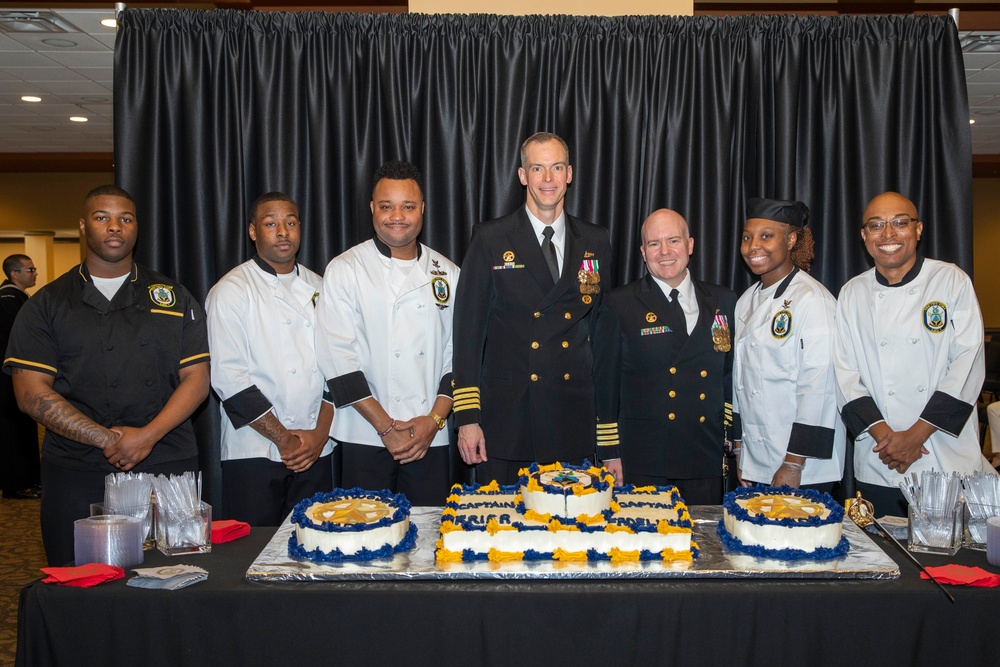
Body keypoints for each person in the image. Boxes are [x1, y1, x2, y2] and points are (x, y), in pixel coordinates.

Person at [3, 185, 210, 565]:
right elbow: (30, 393)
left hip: (166, 460)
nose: (115, 227)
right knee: (78, 578)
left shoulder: (172, 296)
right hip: (78, 466)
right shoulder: (47, 303)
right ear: (83, 225)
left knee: (173, 575)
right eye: (102, 217)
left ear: (137, 228)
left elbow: (197, 379)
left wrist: (146, 436)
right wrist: (106, 438)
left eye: (125, 218)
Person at [452, 132, 613, 484]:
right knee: (504, 534)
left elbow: (603, 336)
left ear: (569, 174)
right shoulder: (491, 238)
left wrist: (608, 430)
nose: (548, 179)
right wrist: (467, 417)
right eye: (537, 168)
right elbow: (467, 335)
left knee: (571, 533)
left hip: (573, 416)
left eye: (556, 168)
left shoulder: (595, 239)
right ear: (523, 176)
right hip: (508, 421)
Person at [833, 191, 993, 517]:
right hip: (881, 456)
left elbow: (967, 364)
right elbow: (844, 373)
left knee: (948, 560)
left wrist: (914, 436)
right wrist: (889, 439)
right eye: (876, 225)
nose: (888, 235)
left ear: (918, 230)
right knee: (885, 557)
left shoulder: (950, 281)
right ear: (864, 236)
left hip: (943, 453)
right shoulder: (852, 293)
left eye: (900, 223)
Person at [316, 160, 459, 505]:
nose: (397, 216)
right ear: (372, 209)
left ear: (422, 209)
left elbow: (460, 356)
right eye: (386, 206)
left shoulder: (449, 273)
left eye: (408, 206)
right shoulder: (346, 268)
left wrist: (434, 420)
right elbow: (336, 358)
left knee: (429, 541)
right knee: (365, 540)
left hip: (429, 436)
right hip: (365, 433)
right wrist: (384, 427)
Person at [592, 209, 735, 505]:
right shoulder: (620, 303)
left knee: (704, 547)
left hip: (704, 454)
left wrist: (734, 433)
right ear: (643, 253)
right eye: (655, 244)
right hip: (644, 460)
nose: (665, 252)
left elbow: (729, 376)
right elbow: (605, 385)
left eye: (673, 240)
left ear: (690, 245)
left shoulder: (723, 301)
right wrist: (609, 451)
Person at [206, 192, 333, 525]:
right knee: (251, 557)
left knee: (314, 551)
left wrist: (319, 435)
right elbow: (228, 379)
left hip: (317, 449)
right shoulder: (231, 291)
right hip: (254, 450)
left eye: (290, 223)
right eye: (271, 223)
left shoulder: (322, 287)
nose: (283, 232)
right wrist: (285, 440)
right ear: (252, 232)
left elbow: (340, 366)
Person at [731, 198, 845, 492]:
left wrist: (793, 464)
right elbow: (740, 383)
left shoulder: (813, 299)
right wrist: (742, 450)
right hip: (759, 459)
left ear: (792, 239)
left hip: (803, 467)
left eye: (766, 236)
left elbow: (820, 387)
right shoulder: (746, 299)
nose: (753, 246)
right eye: (747, 237)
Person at [0, 254, 41, 499]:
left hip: (15, 375)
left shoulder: (15, 297)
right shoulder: (8, 299)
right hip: (8, 377)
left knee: (22, 427)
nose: (34, 273)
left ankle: (27, 479)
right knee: (13, 430)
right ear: (14, 274)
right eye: (30, 269)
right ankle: (17, 483)